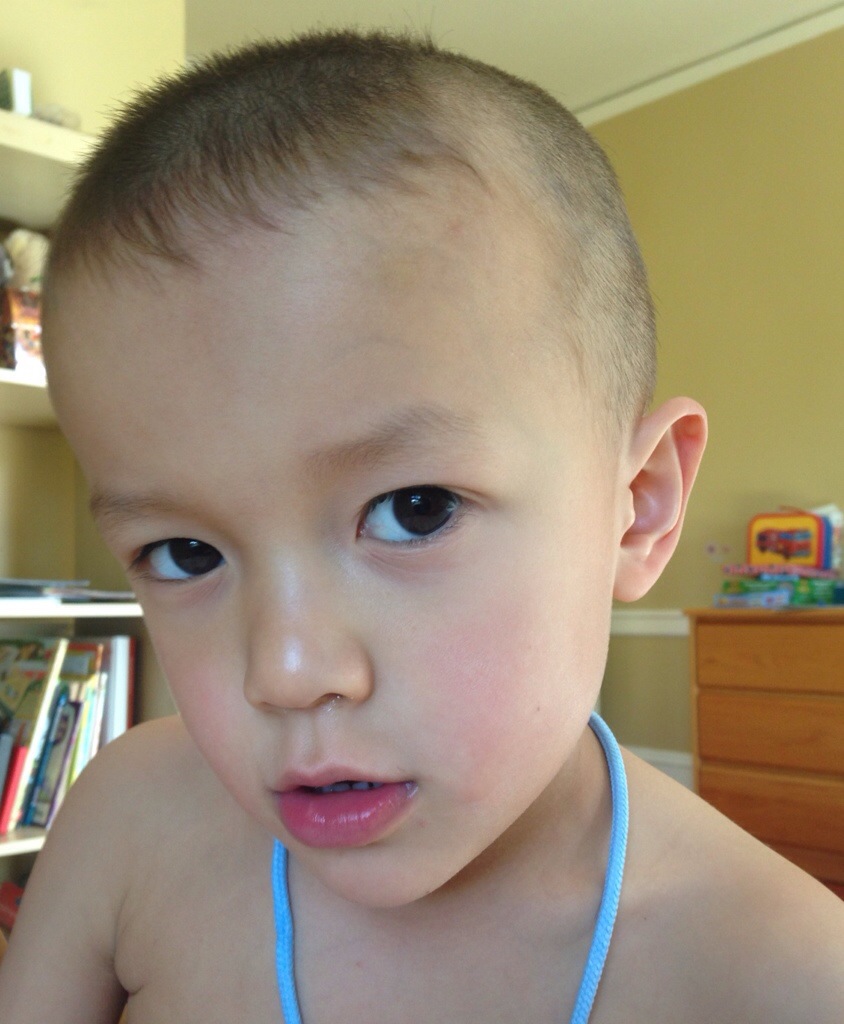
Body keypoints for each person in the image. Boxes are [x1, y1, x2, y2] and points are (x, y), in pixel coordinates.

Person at [0, 29, 841, 1024]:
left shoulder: (782, 976)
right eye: (186, 553)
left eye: (414, 511)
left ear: (638, 506)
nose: (287, 671)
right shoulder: (123, 827)